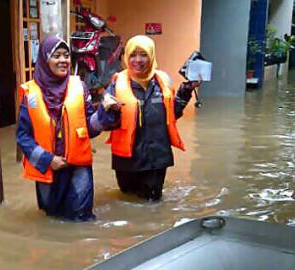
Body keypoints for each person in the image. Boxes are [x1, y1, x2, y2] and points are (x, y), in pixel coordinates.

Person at [16, 36, 118, 221]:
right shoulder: (31, 94)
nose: (63, 60)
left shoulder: (79, 87)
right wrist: (48, 160)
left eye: (66, 55)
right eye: (57, 56)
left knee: (81, 217)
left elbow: (89, 127)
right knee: (51, 217)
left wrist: (105, 112)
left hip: (78, 167)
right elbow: (23, 136)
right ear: (45, 60)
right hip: (49, 168)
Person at [105, 35, 201, 201]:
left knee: (152, 203)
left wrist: (186, 90)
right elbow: (105, 123)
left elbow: (173, 113)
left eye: (143, 55)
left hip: (156, 158)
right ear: (126, 57)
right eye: (133, 55)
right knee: (127, 201)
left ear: (151, 56)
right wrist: (107, 110)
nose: (138, 60)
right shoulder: (116, 84)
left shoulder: (162, 81)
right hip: (126, 159)